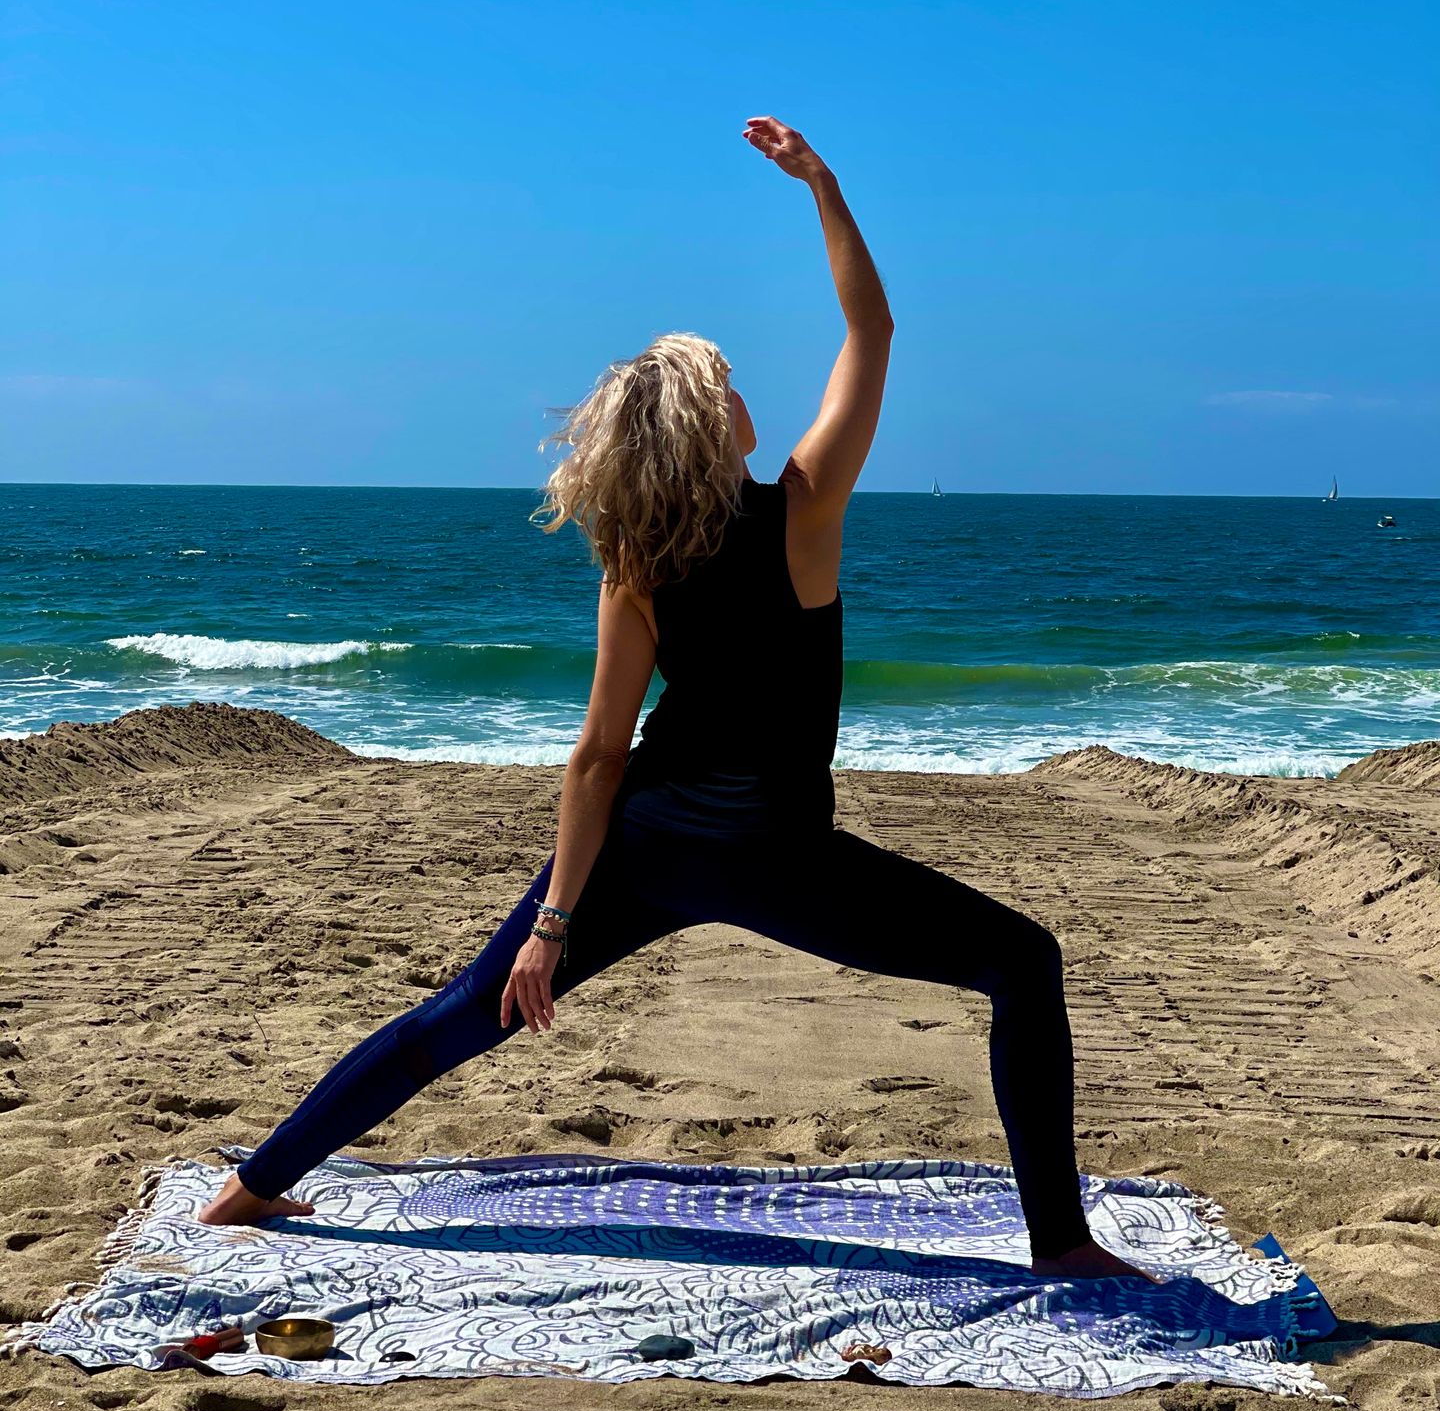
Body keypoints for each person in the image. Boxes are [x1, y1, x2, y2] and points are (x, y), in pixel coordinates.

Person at [198, 116, 1150, 1281]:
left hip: (645, 844)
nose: (748, 394)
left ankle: (252, 1189)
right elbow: (875, 328)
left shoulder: (637, 562)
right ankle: (1059, 1244)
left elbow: (599, 756)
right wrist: (824, 187)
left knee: (460, 1016)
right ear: (712, 427)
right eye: (731, 385)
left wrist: (554, 923)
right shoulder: (801, 512)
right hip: (777, 851)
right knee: (1023, 960)